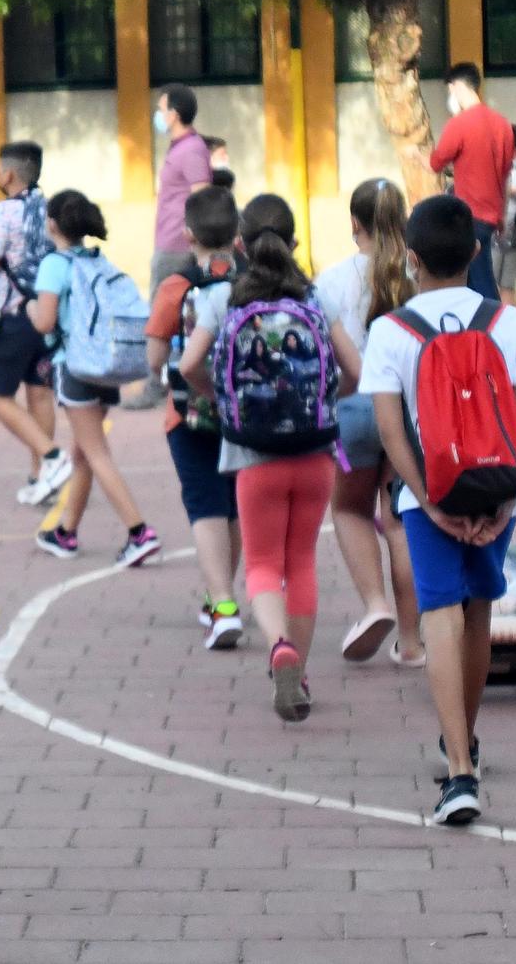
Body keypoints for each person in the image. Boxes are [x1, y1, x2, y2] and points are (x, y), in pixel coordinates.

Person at [361, 194, 516, 826]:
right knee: (478, 611)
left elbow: (389, 428)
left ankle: (459, 772)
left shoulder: (391, 331)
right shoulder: (505, 322)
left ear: (410, 259)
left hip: (428, 495)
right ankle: (461, 740)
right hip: (496, 485)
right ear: (475, 251)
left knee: (439, 612)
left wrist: (429, 501)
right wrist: (510, 495)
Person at [178, 194, 339, 720]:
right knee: (303, 561)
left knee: (264, 563)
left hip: (253, 452)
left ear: (241, 244)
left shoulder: (222, 299)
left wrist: (218, 400)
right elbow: (355, 368)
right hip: (316, 450)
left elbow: (188, 365)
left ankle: (278, 647)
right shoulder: (317, 299)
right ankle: (303, 671)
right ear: (294, 242)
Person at [313, 178, 424, 669]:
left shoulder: (332, 280)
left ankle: (374, 605)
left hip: (354, 409)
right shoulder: (418, 273)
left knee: (350, 509)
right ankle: (414, 640)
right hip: (408, 410)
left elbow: (325, 355)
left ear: (354, 223)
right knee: (401, 520)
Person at [26, 190, 161, 567]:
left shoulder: (54, 265)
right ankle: (66, 531)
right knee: (83, 452)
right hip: (106, 365)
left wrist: (30, 306)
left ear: (51, 224)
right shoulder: (97, 260)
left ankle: (139, 532)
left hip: (76, 367)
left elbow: (46, 321)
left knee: (96, 452)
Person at [144, 185, 241, 649]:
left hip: (190, 413)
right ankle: (221, 595)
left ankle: (222, 605)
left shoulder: (176, 284)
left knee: (205, 506)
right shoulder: (255, 279)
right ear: (237, 233)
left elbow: (155, 355)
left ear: (187, 234)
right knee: (236, 507)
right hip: (250, 414)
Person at [0, 141, 76, 510]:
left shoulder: (0, 214)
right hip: (48, 314)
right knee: (39, 394)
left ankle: (52, 457)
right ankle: (41, 476)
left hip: (13, 318)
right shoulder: (53, 208)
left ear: (7, 173)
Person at [128, 83, 214, 409]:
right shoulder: (181, 148)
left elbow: (201, 196)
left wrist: (195, 240)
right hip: (169, 241)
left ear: (174, 113)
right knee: (171, 315)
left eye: (162, 109)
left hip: (177, 246)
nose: (159, 115)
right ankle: (167, 379)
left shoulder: (191, 149)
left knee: (161, 316)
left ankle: (157, 384)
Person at [428, 63, 516, 302]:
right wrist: (502, 216)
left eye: (450, 90)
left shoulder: (460, 123)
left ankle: (493, 329)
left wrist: (420, 157)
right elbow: (505, 175)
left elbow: (436, 162)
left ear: (457, 87)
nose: (451, 96)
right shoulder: (503, 125)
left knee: (479, 280)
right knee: (473, 278)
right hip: (492, 215)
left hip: (468, 215)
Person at [489, 125, 516, 309]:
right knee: (507, 286)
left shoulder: (509, 169)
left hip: (501, 233)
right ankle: (509, 325)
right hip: (512, 235)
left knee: (497, 285)